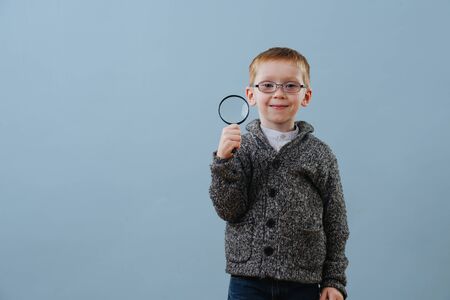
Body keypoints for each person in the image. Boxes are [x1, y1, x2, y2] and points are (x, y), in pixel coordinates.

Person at [209, 47, 349, 300]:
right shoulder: (240, 149)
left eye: (290, 86)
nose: (279, 93)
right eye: (268, 85)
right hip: (248, 281)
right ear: (251, 95)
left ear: (306, 96)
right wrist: (223, 162)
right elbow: (228, 210)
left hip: (304, 281)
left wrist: (334, 280)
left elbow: (336, 221)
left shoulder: (320, 154)